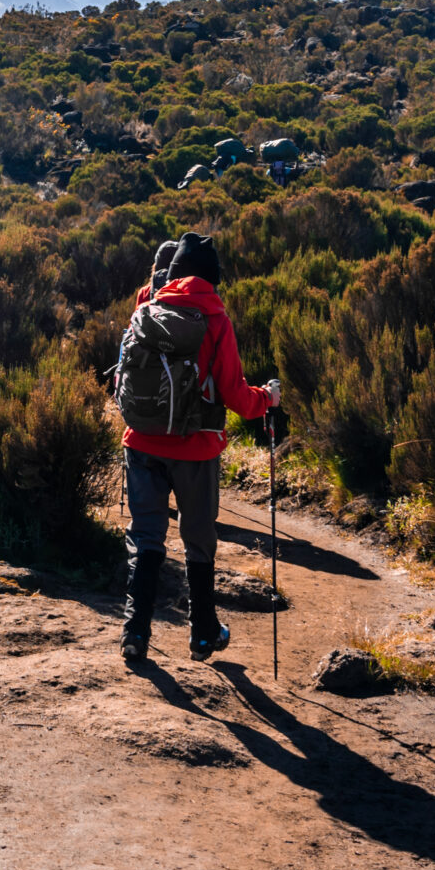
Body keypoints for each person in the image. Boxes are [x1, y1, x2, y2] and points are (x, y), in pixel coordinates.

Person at [114, 232, 280, 664]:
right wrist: (268, 398)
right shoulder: (215, 319)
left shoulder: (147, 308)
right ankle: (203, 635)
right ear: (213, 276)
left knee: (146, 537)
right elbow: (237, 397)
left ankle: (135, 633)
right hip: (196, 450)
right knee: (198, 541)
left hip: (142, 441)